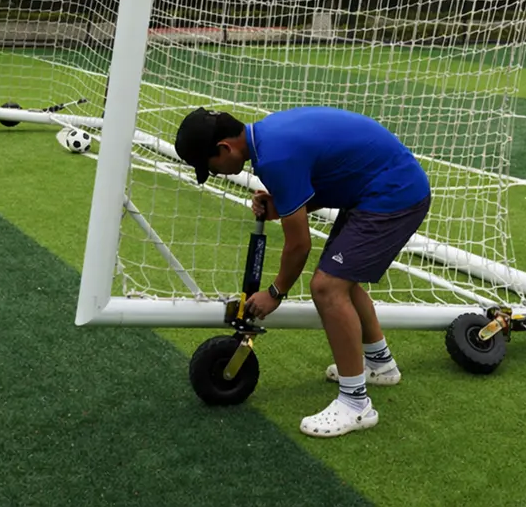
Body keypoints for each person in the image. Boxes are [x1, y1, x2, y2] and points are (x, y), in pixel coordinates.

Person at [174, 105, 431, 439]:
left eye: (211, 167)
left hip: (394, 194)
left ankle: (356, 405)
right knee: (343, 280)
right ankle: (380, 364)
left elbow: (299, 246)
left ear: (225, 149)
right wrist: (281, 203)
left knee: (327, 287)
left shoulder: (274, 158)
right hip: (376, 188)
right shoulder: (269, 136)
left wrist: (275, 293)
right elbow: (325, 177)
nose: (218, 173)